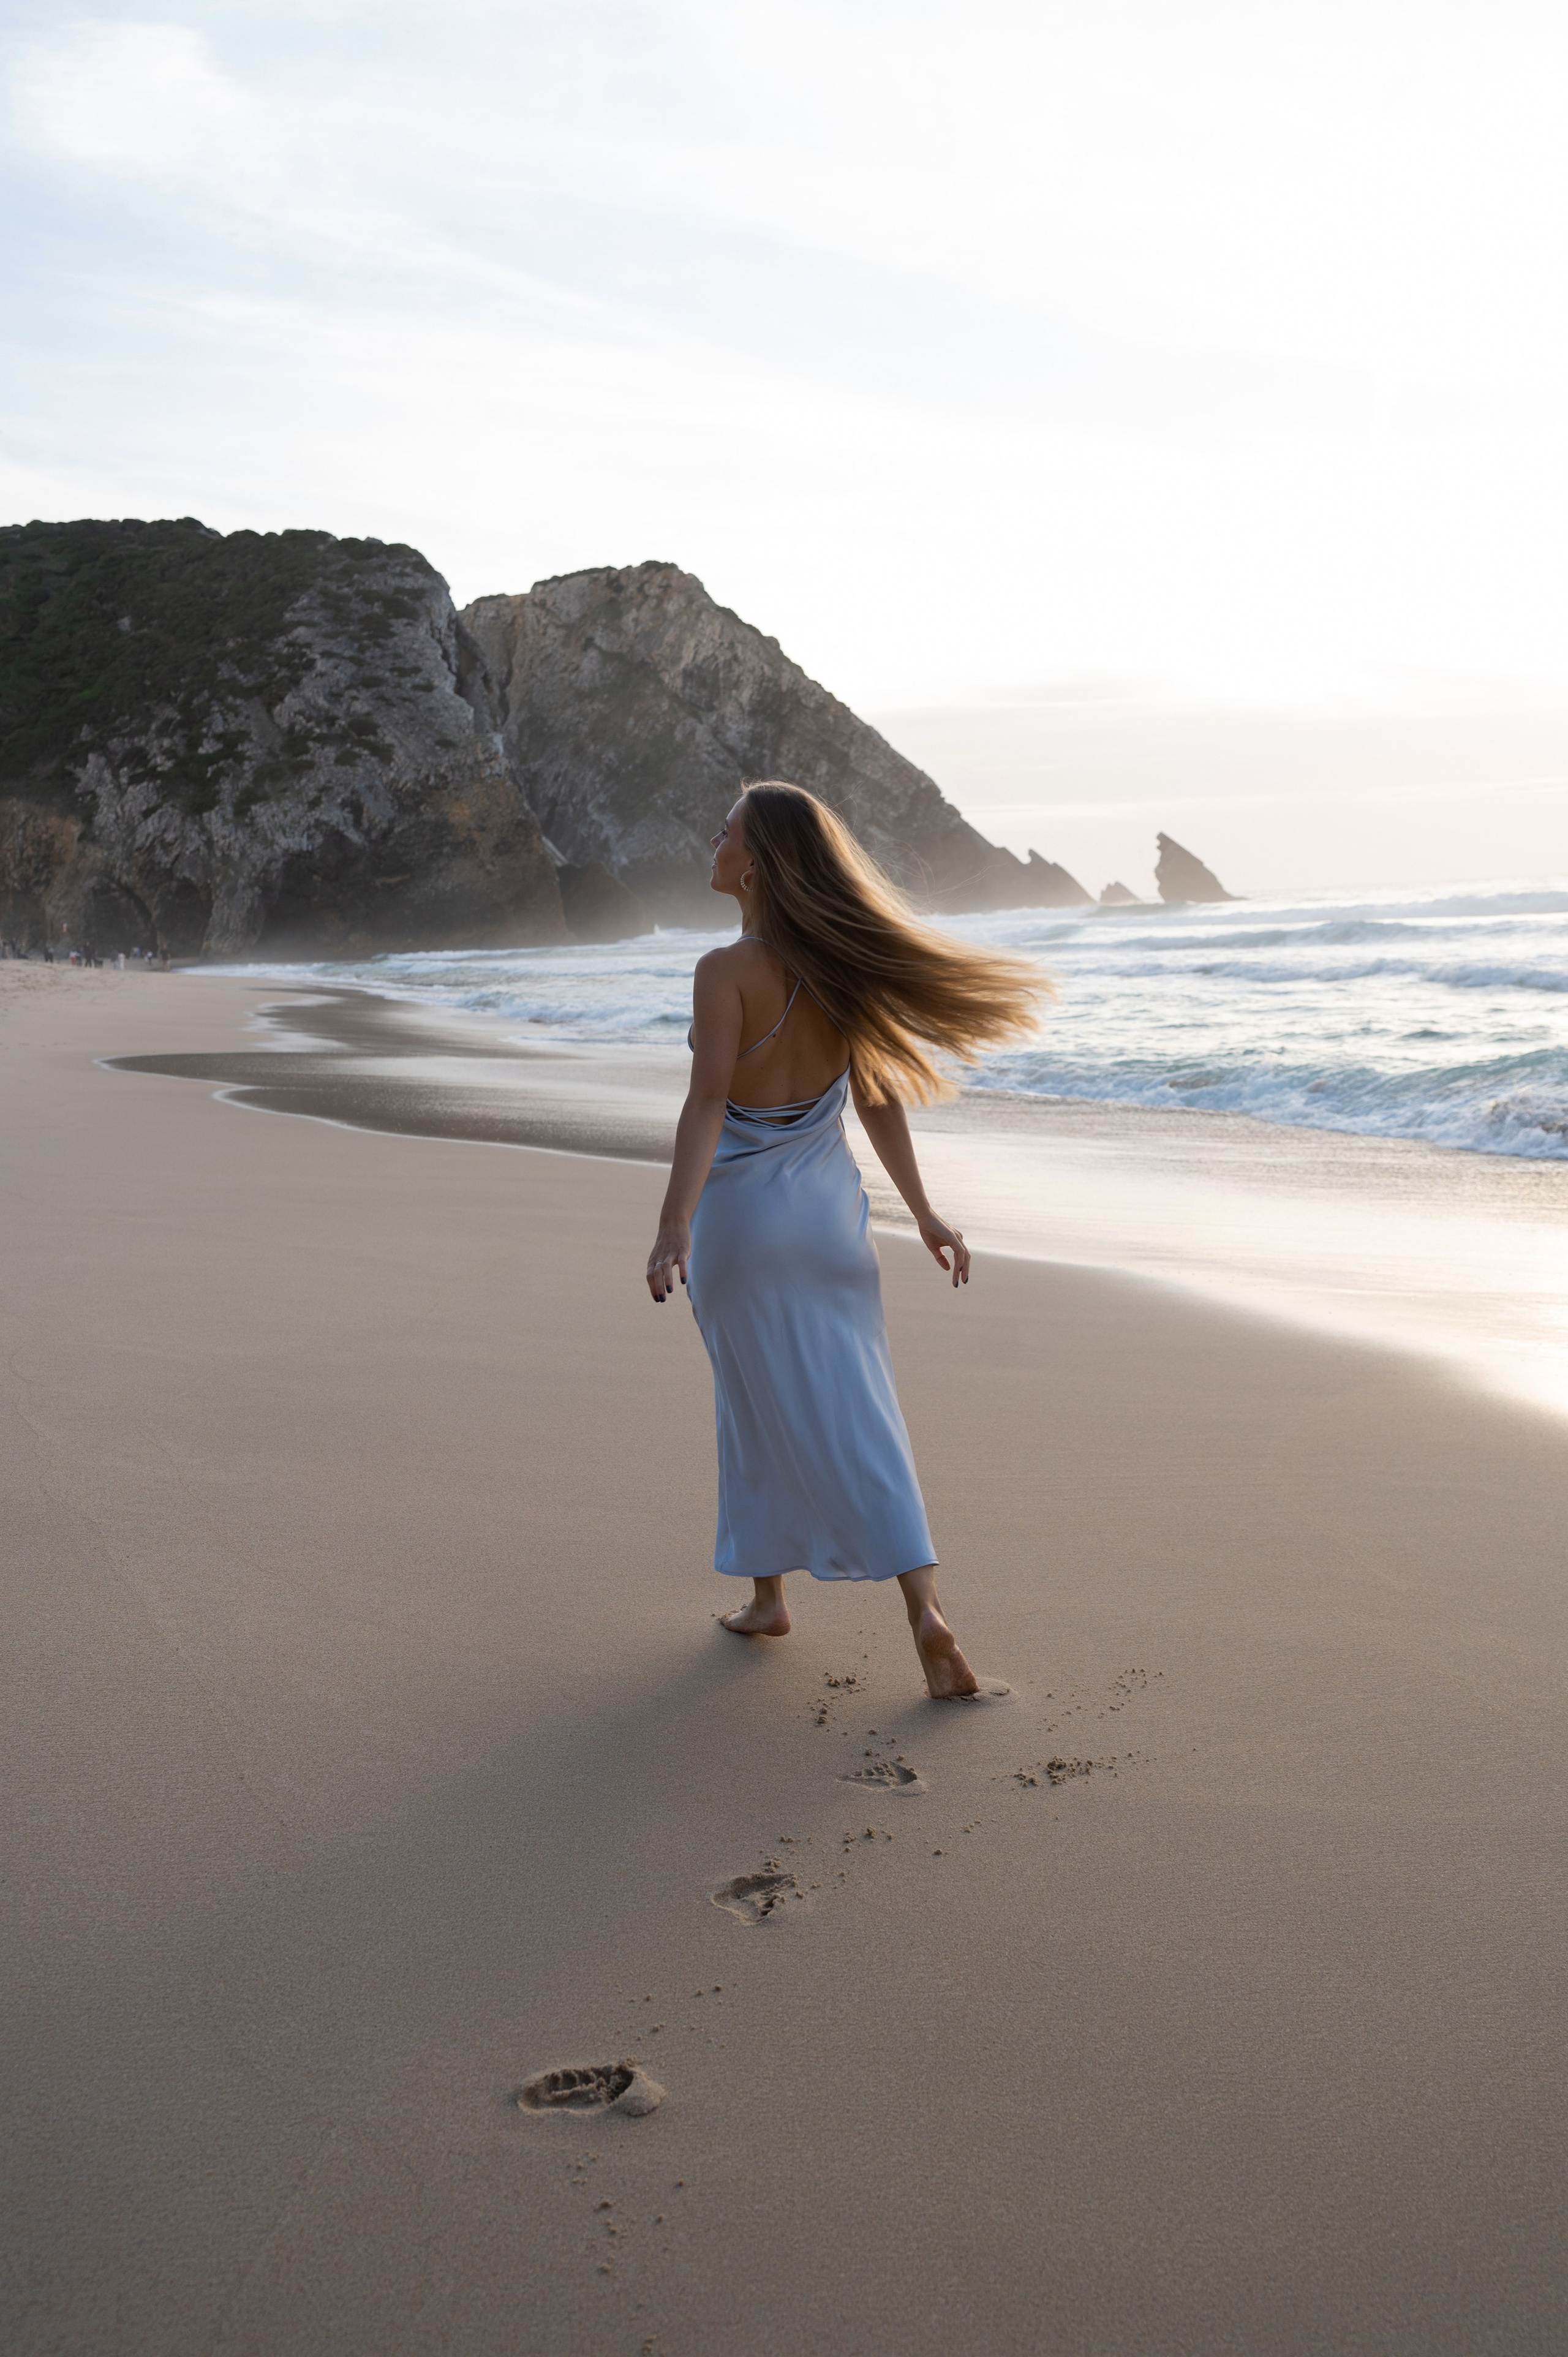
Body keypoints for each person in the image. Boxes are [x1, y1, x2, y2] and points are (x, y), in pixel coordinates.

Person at [646, 781, 1048, 1699]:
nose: (712, 840)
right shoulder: (840, 967)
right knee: (866, 1416)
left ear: (758, 863)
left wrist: (673, 1225)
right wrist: (926, 1212)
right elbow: (876, 1101)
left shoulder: (723, 971)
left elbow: (709, 1098)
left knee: (752, 1404)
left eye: (727, 831)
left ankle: (768, 1597)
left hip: (742, 1226)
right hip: (831, 1223)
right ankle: (924, 1611)